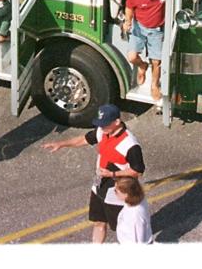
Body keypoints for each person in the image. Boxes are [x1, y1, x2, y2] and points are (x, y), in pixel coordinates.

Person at [42, 104, 145, 243]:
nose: (101, 127)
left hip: (117, 191)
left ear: (117, 122)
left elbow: (137, 171)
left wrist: (112, 175)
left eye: (104, 124)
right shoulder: (102, 132)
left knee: (122, 230)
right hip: (98, 184)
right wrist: (61, 144)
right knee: (98, 222)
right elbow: (83, 139)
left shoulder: (130, 144)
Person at [124, 0, 168, 101]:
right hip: (139, 27)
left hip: (156, 30)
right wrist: (127, 21)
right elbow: (129, 8)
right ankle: (142, 66)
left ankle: (154, 85)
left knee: (156, 62)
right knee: (132, 57)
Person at [114, 177, 154, 244]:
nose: (114, 193)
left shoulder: (134, 215)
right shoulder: (138, 200)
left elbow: (137, 238)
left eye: (116, 191)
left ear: (126, 194)